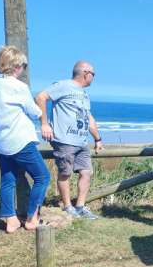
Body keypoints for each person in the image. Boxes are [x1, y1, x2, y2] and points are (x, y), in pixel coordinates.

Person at [0, 46, 51, 233]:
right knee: (42, 176)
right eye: (23, 65)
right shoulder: (19, 87)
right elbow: (34, 111)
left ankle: (11, 220)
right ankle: (32, 218)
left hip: (0, 139)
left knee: (8, 179)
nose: (24, 69)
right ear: (15, 66)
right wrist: (43, 119)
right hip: (20, 140)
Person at [36, 61, 103, 219]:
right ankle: (67, 207)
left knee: (87, 173)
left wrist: (98, 139)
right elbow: (40, 97)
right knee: (65, 173)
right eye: (93, 74)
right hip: (64, 140)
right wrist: (44, 124)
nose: (94, 77)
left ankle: (80, 206)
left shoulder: (84, 94)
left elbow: (88, 118)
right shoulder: (63, 86)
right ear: (85, 73)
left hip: (81, 141)